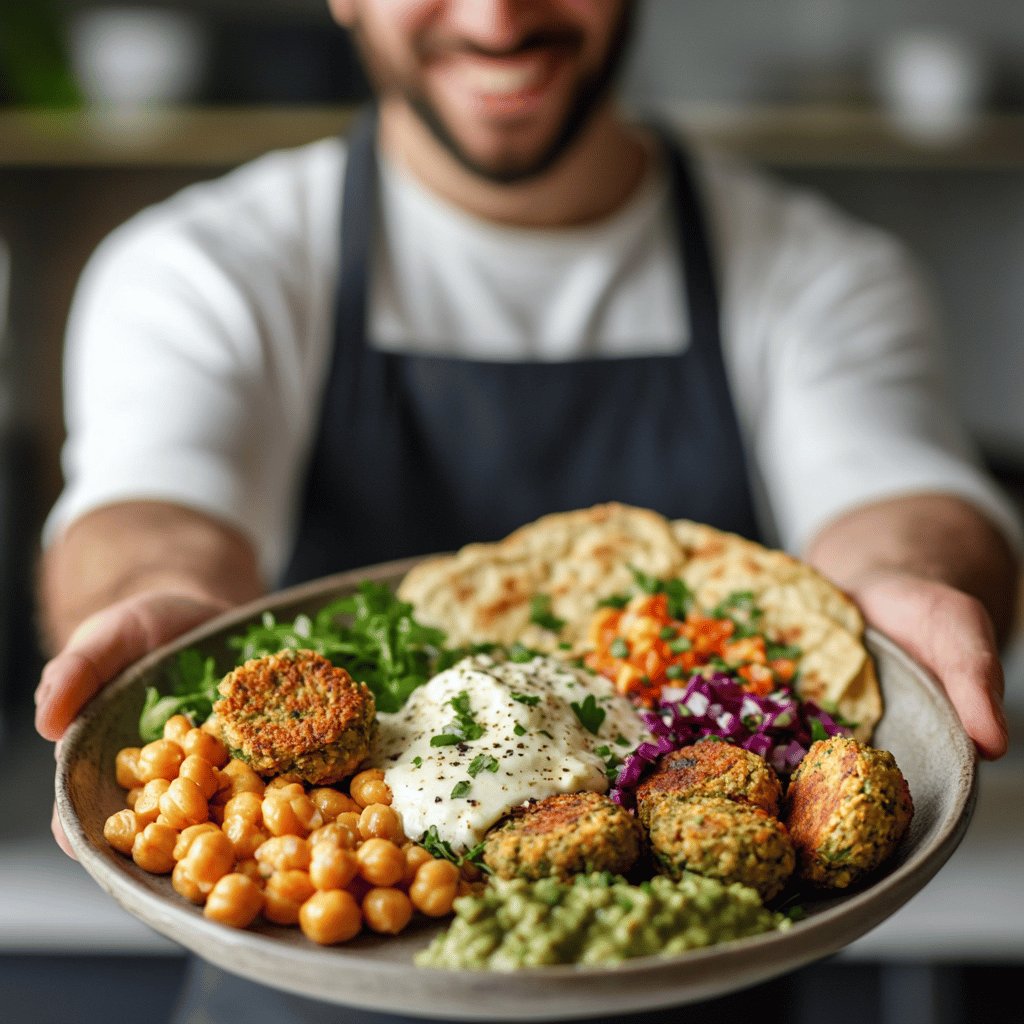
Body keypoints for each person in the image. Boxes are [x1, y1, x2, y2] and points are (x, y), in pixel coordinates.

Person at [32, 1, 1020, 1020]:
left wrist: (916, 576)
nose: (497, 15)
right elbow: (156, 506)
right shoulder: (201, 263)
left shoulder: (821, 270)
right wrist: (159, 598)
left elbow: (891, 488)